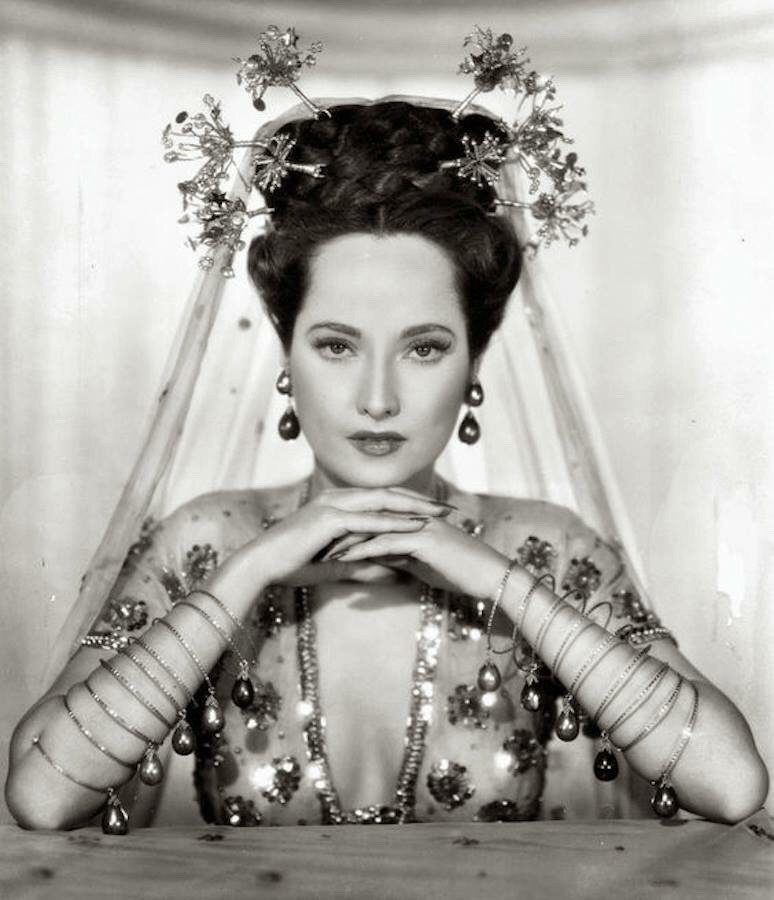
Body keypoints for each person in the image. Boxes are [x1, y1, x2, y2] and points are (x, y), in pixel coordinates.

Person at [4, 32, 769, 833]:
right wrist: (250, 570)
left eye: (424, 348)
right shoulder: (206, 543)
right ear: (287, 356)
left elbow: (732, 785)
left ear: (474, 362)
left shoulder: (547, 548)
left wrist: (501, 580)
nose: (377, 398)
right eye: (336, 346)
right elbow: (40, 797)